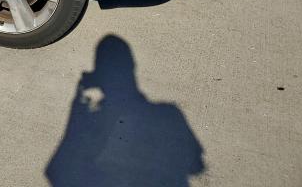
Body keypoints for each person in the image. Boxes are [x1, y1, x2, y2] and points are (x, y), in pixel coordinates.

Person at [46, 35, 204, 187]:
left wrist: (78, 110)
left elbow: (56, 171)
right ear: (133, 66)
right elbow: (196, 165)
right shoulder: (169, 114)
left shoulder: (94, 123)